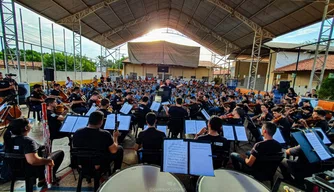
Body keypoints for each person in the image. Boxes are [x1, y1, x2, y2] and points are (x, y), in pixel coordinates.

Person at [4, 118, 64, 186]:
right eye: (29, 123)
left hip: (12, 171)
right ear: (26, 127)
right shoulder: (28, 142)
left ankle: (42, 178)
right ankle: (45, 177)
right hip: (28, 171)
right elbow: (33, 161)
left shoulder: (8, 140)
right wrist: (48, 161)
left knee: (41, 153)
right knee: (59, 154)